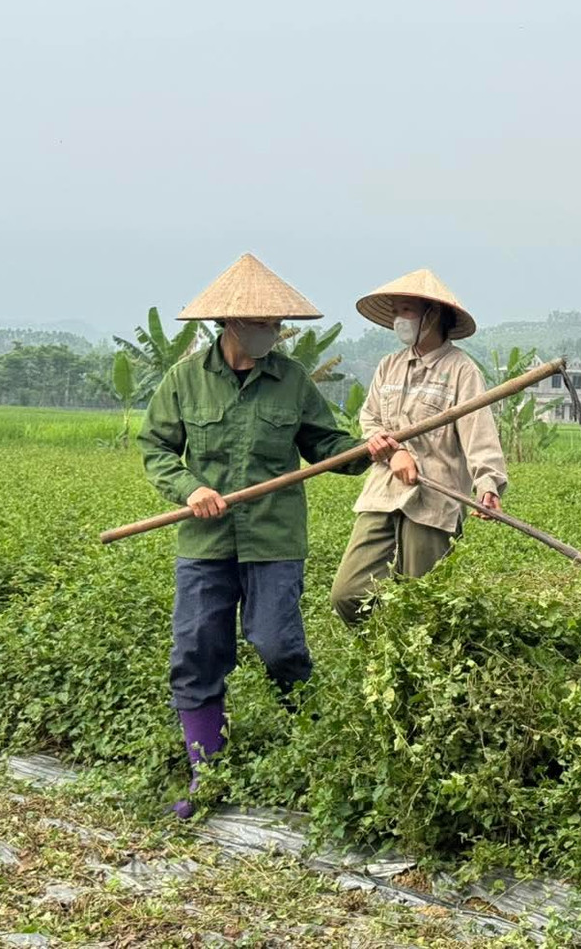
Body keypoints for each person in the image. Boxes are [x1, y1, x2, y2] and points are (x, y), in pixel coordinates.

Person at [138, 253, 399, 818]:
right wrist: (189, 490)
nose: (276, 335)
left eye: (279, 326)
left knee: (279, 645)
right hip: (205, 545)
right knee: (197, 652)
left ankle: (317, 764)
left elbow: (324, 444)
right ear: (232, 325)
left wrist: (366, 452)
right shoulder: (184, 381)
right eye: (266, 325)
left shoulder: (292, 381)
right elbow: (157, 449)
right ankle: (208, 775)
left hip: (274, 541)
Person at [329, 269, 507, 625]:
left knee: (421, 604)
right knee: (347, 594)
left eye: (407, 310)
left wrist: (488, 484)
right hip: (382, 492)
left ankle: (414, 670)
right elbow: (370, 420)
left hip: (433, 499)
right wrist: (393, 451)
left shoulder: (461, 371)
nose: (399, 320)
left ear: (433, 314)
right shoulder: (389, 367)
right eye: (396, 311)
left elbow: (479, 436)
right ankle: (381, 651)